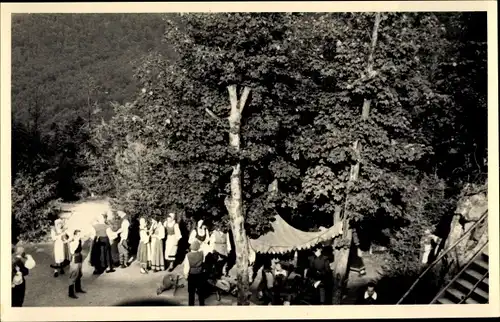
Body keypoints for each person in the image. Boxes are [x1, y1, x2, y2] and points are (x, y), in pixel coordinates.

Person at [183, 241, 205, 306]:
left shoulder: (188, 255)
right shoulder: (201, 254)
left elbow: (186, 267)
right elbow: (203, 262)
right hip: (199, 274)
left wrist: (186, 275)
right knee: (200, 291)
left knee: (191, 292)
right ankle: (202, 304)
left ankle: (191, 305)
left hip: (192, 275)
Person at [68, 229, 86, 299]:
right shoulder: (73, 242)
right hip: (74, 257)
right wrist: (76, 240)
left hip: (79, 257)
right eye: (78, 234)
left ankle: (78, 289)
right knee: (73, 274)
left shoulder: (78, 241)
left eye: (80, 234)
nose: (79, 236)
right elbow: (72, 251)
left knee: (79, 274)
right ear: (75, 235)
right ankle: (71, 293)